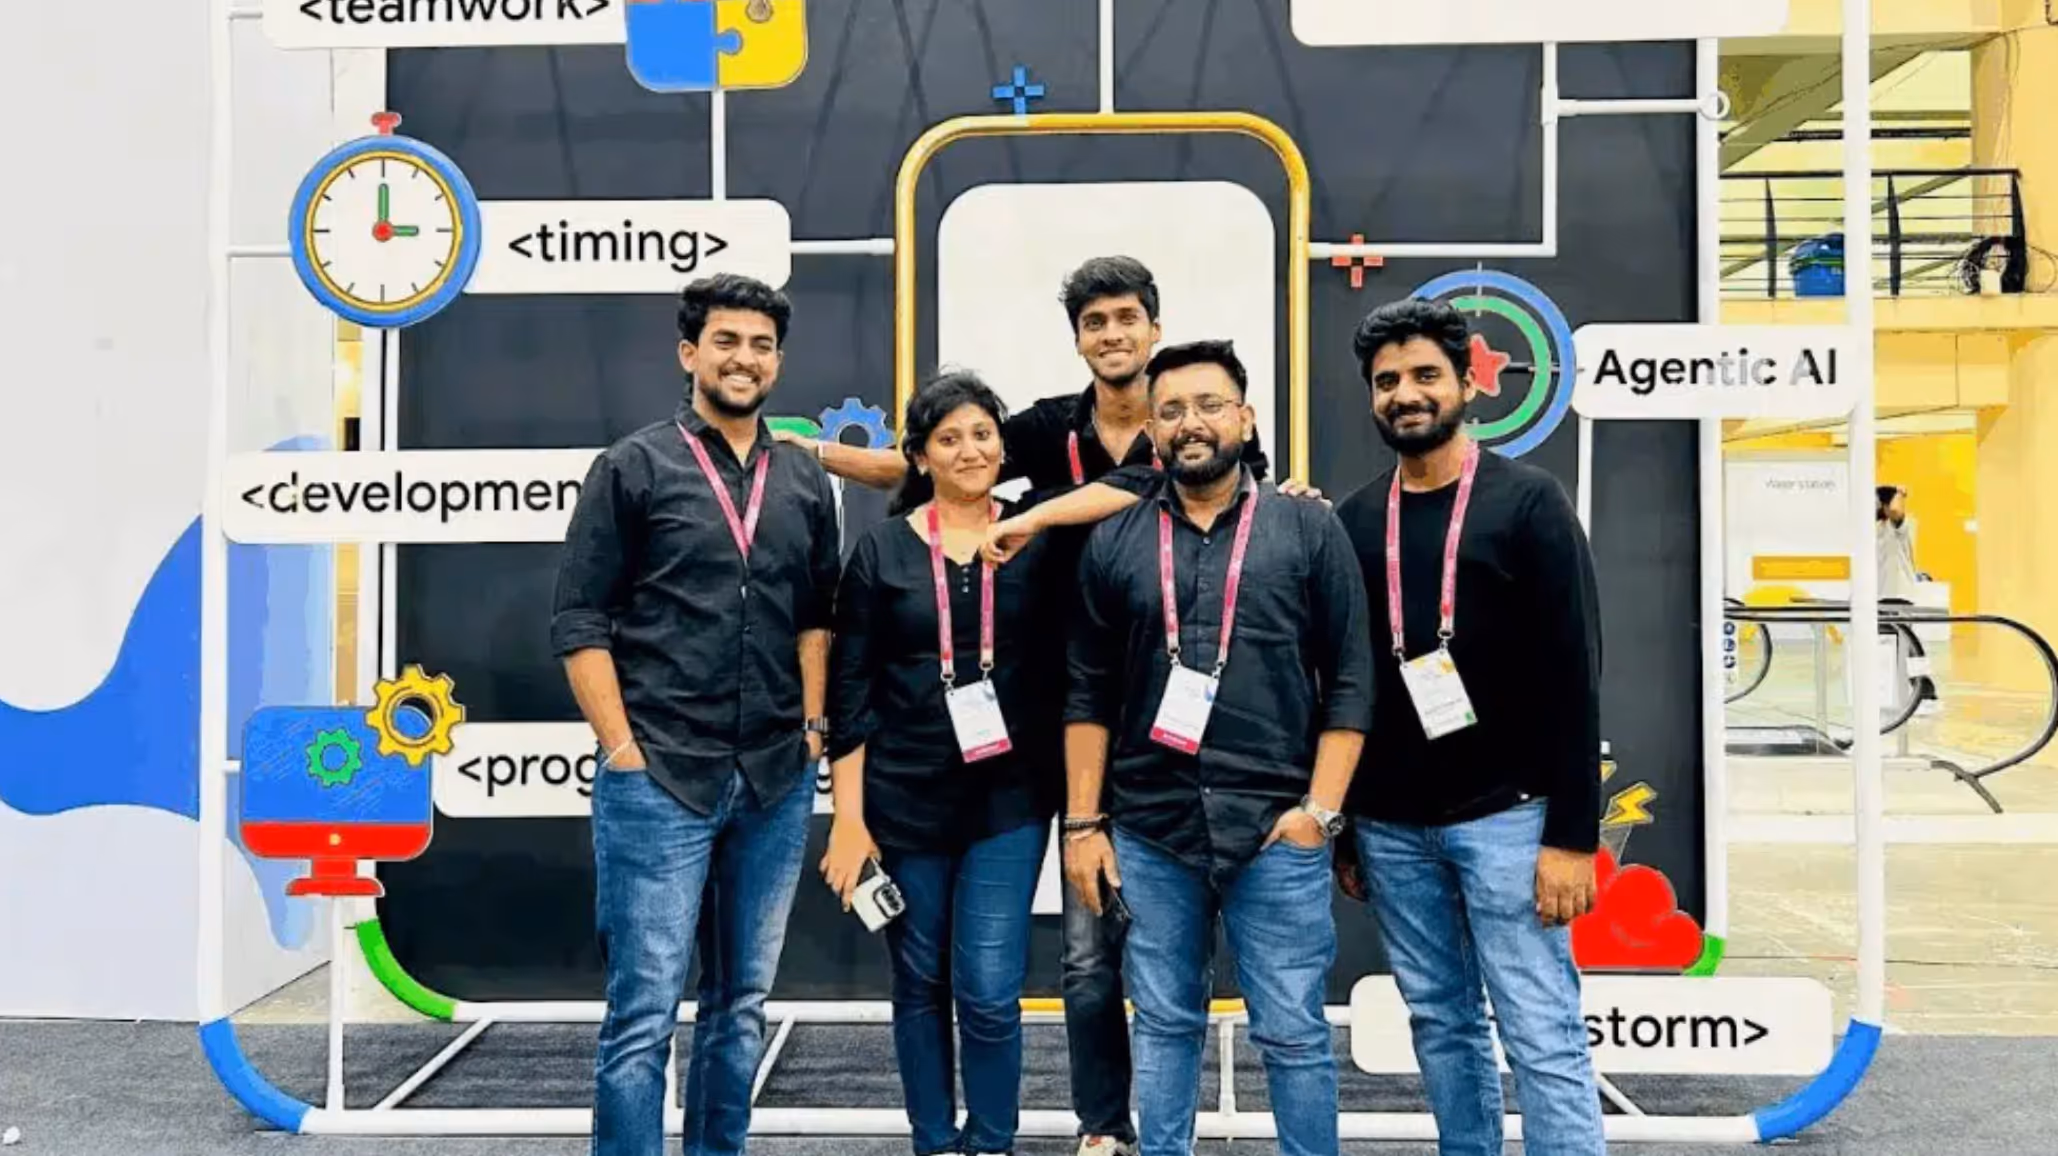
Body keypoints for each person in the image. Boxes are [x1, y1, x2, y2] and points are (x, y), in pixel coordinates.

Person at [788, 256, 1297, 1156]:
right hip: (1040, 722)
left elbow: (1218, 497)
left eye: (1126, 318)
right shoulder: (1041, 431)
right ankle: (1104, 1127)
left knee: (1115, 964)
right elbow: (924, 458)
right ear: (1078, 338)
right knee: (1082, 953)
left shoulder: (1185, 426)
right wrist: (810, 453)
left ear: (1151, 326)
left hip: (1147, 706)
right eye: (1094, 321)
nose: (1112, 334)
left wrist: (1037, 518)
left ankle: (1090, 1127)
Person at [552, 273, 841, 1156]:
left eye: (760, 345)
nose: (743, 358)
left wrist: (814, 729)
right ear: (690, 354)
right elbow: (579, 619)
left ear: (778, 361)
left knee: (741, 1007)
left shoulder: (800, 477)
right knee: (642, 1015)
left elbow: (817, 616)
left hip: (773, 777)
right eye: (726, 341)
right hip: (661, 778)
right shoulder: (632, 466)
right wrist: (621, 747)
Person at [1062, 339, 1374, 1156]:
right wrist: (1084, 826)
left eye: (1207, 404)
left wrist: (1320, 813)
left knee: (1294, 1035)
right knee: (1164, 1027)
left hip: (1278, 828)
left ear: (1245, 415)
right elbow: (1087, 694)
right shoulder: (1115, 540)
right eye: (1170, 411)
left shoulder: (1308, 527)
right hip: (1150, 828)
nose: (1189, 423)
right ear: (1152, 430)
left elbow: (1349, 678)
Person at [1330, 298, 1606, 1156]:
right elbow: (1348, 681)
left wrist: (1571, 835)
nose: (1404, 395)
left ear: (1463, 385)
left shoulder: (1529, 503)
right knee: (1441, 1026)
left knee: (1542, 1031)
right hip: (1392, 827)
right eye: (1387, 382)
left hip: (1510, 820)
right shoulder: (1353, 518)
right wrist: (1347, 829)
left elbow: (1576, 671)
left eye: (1423, 377)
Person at [818, 370, 1068, 1156]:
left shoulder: (1039, 534)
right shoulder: (882, 551)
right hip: (903, 802)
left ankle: (990, 1142)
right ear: (919, 457)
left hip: (1011, 802)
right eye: (949, 438)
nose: (971, 450)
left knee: (990, 993)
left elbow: (1140, 491)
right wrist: (849, 821)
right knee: (920, 988)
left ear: (1004, 443)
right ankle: (933, 1142)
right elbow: (850, 693)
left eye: (983, 433)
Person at [1877, 484, 1920, 602]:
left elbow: (1895, 511)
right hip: (1880, 594)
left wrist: (1898, 493)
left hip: (1900, 594)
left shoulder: (1904, 524)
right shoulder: (1878, 526)